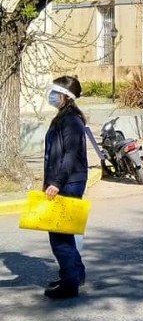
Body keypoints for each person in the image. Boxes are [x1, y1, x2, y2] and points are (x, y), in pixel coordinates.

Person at [42, 76, 88, 299]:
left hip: (67, 183)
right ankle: (74, 274)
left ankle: (70, 285)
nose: (50, 96)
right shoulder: (65, 117)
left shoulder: (71, 121)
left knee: (59, 237)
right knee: (65, 234)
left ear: (64, 96)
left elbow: (69, 155)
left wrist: (56, 183)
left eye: (54, 92)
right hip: (67, 181)